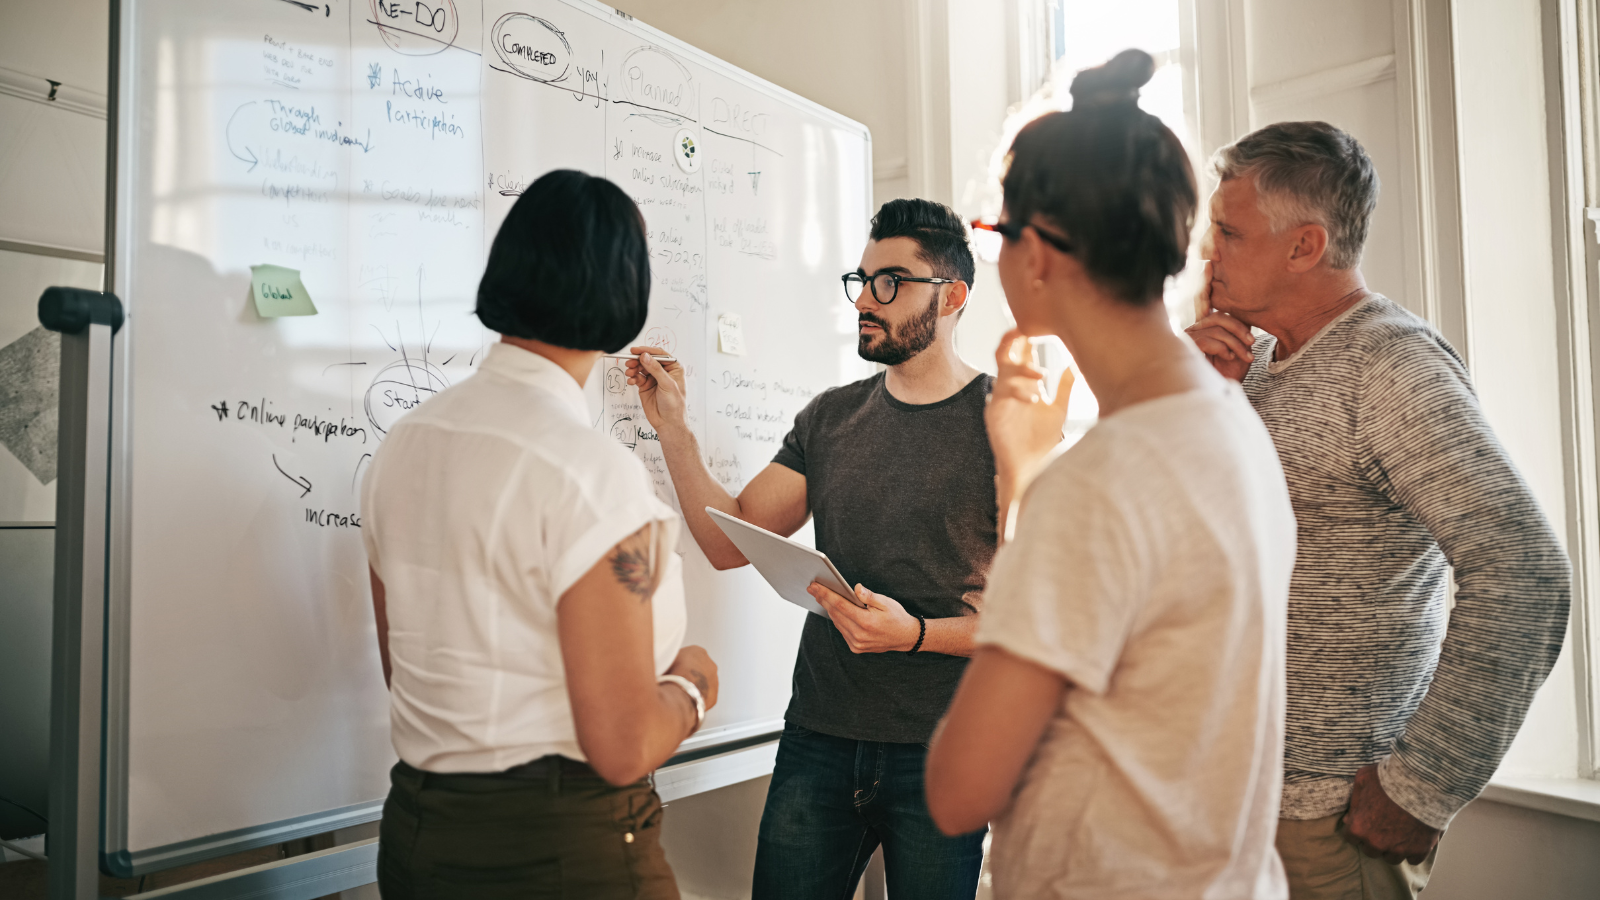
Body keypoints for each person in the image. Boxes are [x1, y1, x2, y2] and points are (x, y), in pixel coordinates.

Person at [923, 50, 1295, 899]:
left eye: (997, 235)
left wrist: (1023, 486)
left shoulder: (1099, 483)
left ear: (1043, 254)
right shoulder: (1231, 424)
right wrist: (1026, 471)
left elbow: (958, 790)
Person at [1185, 120, 1571, 899]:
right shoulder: (1246, 364)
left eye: (1228, 232)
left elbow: (1526, 573)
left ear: (1305, 246)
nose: (1208, 253)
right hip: (1232, 802)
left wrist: (1421, 786)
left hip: (1327, 824)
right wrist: (1194, 400)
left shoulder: (1389, 364)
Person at [361, 169, 718, 900]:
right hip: (564, 852)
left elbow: (405, 672)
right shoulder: (594, 475)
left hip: (417, 840)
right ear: (625, 292)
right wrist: (693, 684)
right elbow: (622, 748)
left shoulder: (402, 444)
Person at [624, 199, 993, 898]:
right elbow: (729, 539)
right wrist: (672, 427)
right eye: (863, 280)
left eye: (891, 282)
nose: (867, 300)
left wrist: (912, 634)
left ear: (953, 297)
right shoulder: (830, 419)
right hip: (819, 740)